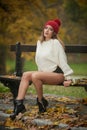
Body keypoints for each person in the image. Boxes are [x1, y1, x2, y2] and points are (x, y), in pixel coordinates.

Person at [10, 18, 73, 120]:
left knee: (35, 75)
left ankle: (41, 102)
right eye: (46, 28)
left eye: (51, 29)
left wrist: (68, 78)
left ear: (54, 33)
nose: (47, 31)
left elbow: (63, 61)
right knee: (26, 74)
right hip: (44, 74)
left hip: (58, 74)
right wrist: (39, 73)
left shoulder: (55, 43)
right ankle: (19, 105)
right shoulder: (40, 43)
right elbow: (40, 61)